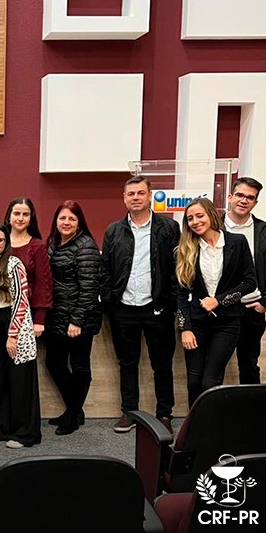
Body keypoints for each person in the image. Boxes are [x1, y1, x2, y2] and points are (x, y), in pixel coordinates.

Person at [101, 176, 180, 434]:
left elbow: (177, 269)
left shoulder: (168, 228)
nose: (135, 197)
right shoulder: (114, 230)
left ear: (149, 196)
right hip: (123, 308)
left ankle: (164, 413)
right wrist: (109, 299)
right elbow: (105, 269)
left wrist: (170, 301)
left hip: (157, 307)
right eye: (130, 193)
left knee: (162, 363)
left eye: (140, 193)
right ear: (124, 198)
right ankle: (129, 412)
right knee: (127, 363)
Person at [176, 198, 256, 407]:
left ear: (211, 215)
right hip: (197, 323)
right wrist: (185, 328)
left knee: (210, 381)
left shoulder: (237, 242)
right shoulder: (186, 249)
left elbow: (250, 282)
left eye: (199, 215)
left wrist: (219, 301)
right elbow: (181, 293)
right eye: (190, 218)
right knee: (194, 381)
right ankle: (194, 430)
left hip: (228, 323)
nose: (195, 221)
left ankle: (210, 428)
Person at [0, 223, 41, 448]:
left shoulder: (14, 265)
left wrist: (12, 336)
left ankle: (23, 433)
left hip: (14, 326)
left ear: (6, 244)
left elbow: (21, 301)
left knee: (18, 380)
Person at [44, 201, 104, 436]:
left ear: (79, 222)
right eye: (62, 218)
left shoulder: (86, 246)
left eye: (71, 219)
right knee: (54, 363)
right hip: (56, 316)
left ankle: (73, 414)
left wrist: (77, 321)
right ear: (56, 221)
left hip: (80, 319)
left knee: (79, 366)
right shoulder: (52, 243)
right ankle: (74, 409)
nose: (66, 223)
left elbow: (90, 288)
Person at [224, 177, 266, 385]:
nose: (244, 200)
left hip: (251, 309)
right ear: (230, 197)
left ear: (255, 203)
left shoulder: (265, 232)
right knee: (213, 364)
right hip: (219, 309)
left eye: (250, 198)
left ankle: (251, 414)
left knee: (249, 363)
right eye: (240, 195)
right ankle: (211, 414)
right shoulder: (214, 227)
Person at [4, 197, 52, 336]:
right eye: (16, 214)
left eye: (25, 215)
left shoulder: (37, 246)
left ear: (31, 219)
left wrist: (39, 319)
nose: (20, 218)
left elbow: (43, 284)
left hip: (26, 312)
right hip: (0, 310)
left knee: (23, 357)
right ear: (9, 217)